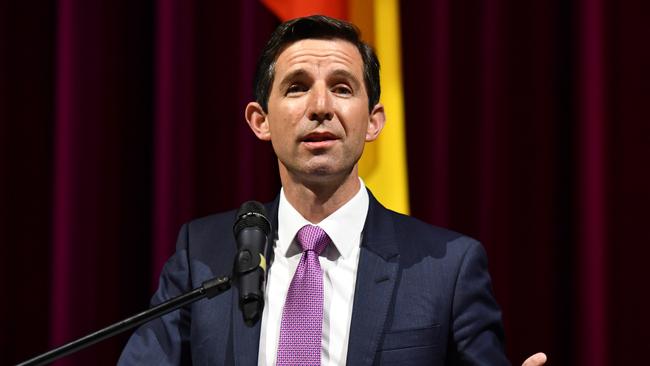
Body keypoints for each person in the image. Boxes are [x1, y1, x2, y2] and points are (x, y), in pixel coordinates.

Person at [119, 15, 547, 365]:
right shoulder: (203, 256)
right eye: (297, 87)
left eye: (342, 88)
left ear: (374, 121)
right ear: (260, 120)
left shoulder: (447, 268)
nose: (320, 107)